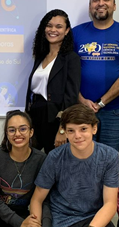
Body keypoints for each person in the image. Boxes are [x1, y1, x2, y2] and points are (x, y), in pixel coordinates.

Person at [30, 104, 119, 227]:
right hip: (62, 220)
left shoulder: (109, 157)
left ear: (94, 128)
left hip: (92, 217)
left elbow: (111, 203)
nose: (77, 136)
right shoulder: (54, 157)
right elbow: (37, 199)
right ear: (64, 132)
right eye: (71, 130)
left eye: (83, 129)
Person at [73, 0, 119, 151]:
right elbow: (68, 73)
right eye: (96, 0)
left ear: (114, 6)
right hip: (81, 109)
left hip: (113, 111)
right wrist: (82, 101)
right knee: (81, 156)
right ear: (90, 7)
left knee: (108, 158)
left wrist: (101, 103)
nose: (101, 3)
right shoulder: (75, 33)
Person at [26, 9, 81, 153]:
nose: (53, 30)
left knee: (56, 164)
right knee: (33, 163)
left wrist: (62, 129)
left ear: (67, 30)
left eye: (59, 26)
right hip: (35, 117)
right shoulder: (40, 56)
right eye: (49, 25)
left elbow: (71, 97)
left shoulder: (71, 58)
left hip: (55, 119)